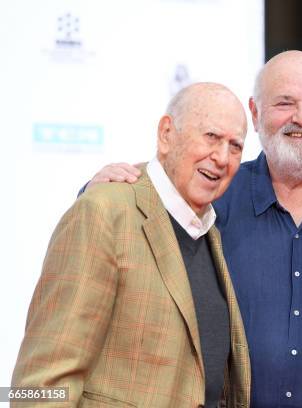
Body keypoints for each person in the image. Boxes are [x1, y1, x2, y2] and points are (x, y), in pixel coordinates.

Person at [81, 51, 302, 407]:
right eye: (285, 103)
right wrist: (100, 188)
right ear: (256, 114)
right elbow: (136, 215)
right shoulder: (212, 198)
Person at [12, 83, 251, 407]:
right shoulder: (104, 212)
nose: (222, 157)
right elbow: (40, 384)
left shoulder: (209, 232)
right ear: (166, 134)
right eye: (211, 137)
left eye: (235, 146)